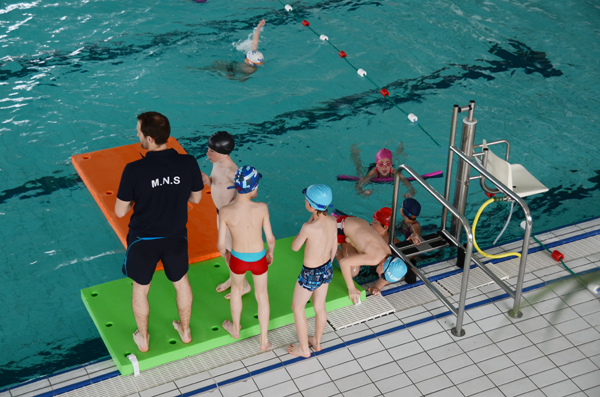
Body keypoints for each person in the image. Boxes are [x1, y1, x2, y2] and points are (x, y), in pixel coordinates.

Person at [115, 112, 204, 352]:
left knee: (140, 288)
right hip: (175, 236)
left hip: (143, 240)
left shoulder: (134, 169)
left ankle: (143, 339)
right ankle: (185, 331)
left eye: (139, 132)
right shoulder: (188, 162)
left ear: (150, 139)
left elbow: (121, 212)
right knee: (181, 283)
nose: (137, 135)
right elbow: (196, 197)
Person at [217, 165, 275, 352]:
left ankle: (235, 328)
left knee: (236, 290)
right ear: (253, 187)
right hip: (258, 257)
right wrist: (270, 252)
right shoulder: (261, 208)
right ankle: (264, 341)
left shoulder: (225, 210)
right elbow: (271, 238)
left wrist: (226, 254)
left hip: (238, 258)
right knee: (262, 296)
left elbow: (220, 243)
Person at [287, 185, 337, 358]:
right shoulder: (332, 221)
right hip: (326, 269)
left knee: (297, 308)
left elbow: (295, 247)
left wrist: (306, 224)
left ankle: (304, 349)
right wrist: (327, 265)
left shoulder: (308, 228)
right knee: (319, 306)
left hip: (310, 273)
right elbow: (334, 246)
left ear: (310, 205)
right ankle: (316, 341)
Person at [201, 131, 252, 299]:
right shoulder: (218, 163)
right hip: (221, 214)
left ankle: (243, 285)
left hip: (231, 219)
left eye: (211, 151)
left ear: (223, 153)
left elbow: (251, 192)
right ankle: (233, 278)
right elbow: (218, 182)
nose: (207, 154)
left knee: (231, 251)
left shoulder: (232, 171)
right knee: (224, 250)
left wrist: (236, 208)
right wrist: (208, 180)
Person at [335, 215, 407, 304]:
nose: (380, 277)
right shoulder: (375, 259)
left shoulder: (387, 252)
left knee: (352, 272)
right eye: (383, 276)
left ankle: (334, 248)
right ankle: (331, 247)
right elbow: (344, 262)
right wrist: (351, 288)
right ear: (383, 264)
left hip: (356, 221)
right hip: (341, 226)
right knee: (324, 262)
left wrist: (377, 287)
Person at [199, 19, 266, 81]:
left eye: (246, 56)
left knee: (213, 67)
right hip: (232, 66)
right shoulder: (254, 66)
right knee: (216, 64)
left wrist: (231, 77)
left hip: (231, 70)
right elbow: (255, 41)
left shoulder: (251, 70)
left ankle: (196, 69)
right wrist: (258, 27)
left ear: (249, 62)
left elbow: (242, 79)